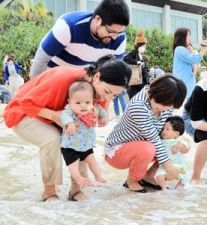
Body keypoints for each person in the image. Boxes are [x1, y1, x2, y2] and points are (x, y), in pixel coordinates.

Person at [3, 55, 131, 202]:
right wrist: (54, 116)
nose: (107, 98)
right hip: (23, 113)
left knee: (82, 135)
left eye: (114, 95)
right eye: (107, 92)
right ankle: (49, 191)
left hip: (56, 118)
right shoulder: (62, 78)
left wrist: (103, 116)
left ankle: (76, 189)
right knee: (52, 139)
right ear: (96, 76)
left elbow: (96, 110)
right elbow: (25, 103)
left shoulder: (98, 91)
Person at [104, 74, 187, 193]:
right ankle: (132, 180)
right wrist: (169, 167)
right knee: (148, 148)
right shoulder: (139, 106)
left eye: (170, 106)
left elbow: (164, 136)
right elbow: (153, 138)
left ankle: (148, 176)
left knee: (171, 144)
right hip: (117, 151)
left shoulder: (165, 104)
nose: (167, 109)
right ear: (156, 94)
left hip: (143, 146)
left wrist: (181, 146)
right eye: (165, 105)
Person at [30, 0, 130, 77]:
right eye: (111, 32)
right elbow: (42, 58)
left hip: (80, 78)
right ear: (98, 19)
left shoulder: (120, 38)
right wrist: (34, 86)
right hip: (52, 72)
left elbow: (113, 72)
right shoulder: (69, 26)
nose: (115, 37)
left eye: (120, 32)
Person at [61, 81, 107, 189]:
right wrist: (70, 123)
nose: (83, 106)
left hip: (86, 145)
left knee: (92, 160)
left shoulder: (94, 108)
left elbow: (102, 112)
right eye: (78, 103)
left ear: (92, 101)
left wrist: (104, 117)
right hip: (70, 146)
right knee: (73, 164)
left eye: (87, 102)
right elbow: (64, 116)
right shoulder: (69, 111)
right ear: (70, 102)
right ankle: (77, 178)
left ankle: (98, 176)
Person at [156, 116, 191, 192]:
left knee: (187, 175)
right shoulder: (161, 140)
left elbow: (187, 144)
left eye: (167, 129)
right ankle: (164, 188)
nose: (164, 131)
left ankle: (178, 188)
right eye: (163, 129)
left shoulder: (179, 139)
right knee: (159, 176)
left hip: (180, 166)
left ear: (177, 133)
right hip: (165, 166)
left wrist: (180, 145)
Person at [172, 27, 207, 100]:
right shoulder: (180, 49)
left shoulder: (183, 49)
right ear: (182, 37)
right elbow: (194, 59)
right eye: (188, 35)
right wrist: (203, 49)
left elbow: (195, 62)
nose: (189, 38)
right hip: (183, 84)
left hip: (187, 84)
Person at [124, 30, 153, 99]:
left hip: (142, 83)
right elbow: (125, 58)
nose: (144, 48)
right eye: (142, 46)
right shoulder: (133, 53)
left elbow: (144, 68)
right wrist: (136, 62)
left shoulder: (142, 56)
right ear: (138, 45)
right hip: (135, 84)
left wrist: (149, 69)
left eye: (144, 46)